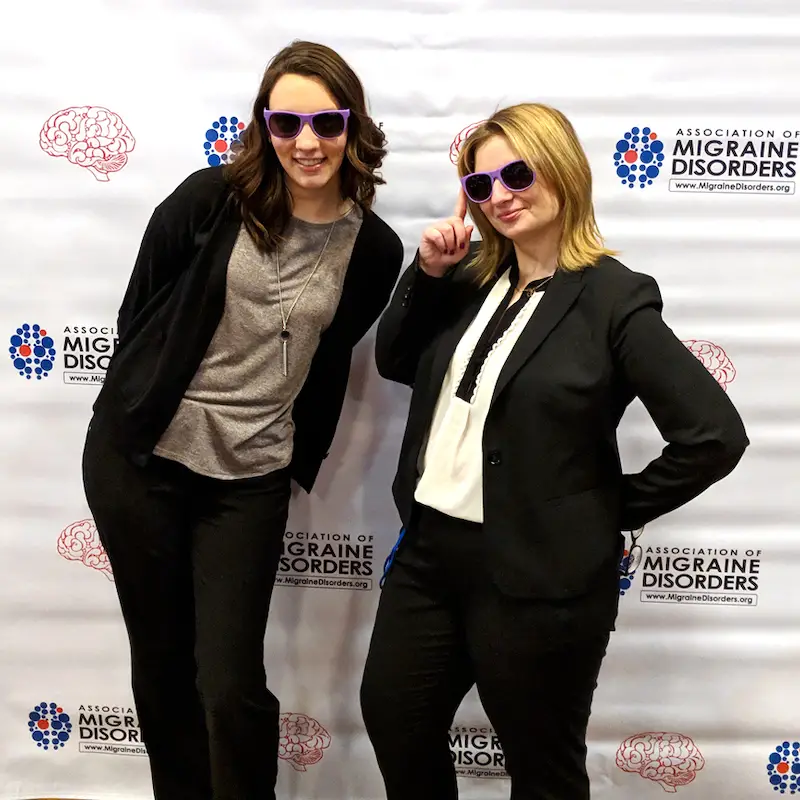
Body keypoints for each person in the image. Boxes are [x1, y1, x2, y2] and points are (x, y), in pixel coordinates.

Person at [359, 103, 749, 800]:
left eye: (516, 173)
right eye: (480, 186)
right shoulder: (475, 278)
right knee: (394, 718)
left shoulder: (613, 298)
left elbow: (714, 436)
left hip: (543, 577)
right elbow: (394, 359)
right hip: (429, 558)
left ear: (562, 168)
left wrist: (602, 512)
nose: (499, 196)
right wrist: (428, 272)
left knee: (543, 769)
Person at [81, 40, 403, 800]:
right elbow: (140, 314)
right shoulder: (208, 199)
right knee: (162, 666)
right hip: (144, 464)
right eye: (286, 122)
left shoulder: (375, 249)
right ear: (264, 126)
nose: (307, 142)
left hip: (250, 475)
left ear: (351, 127)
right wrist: (138, 415)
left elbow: (328, 358)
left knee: (229, 681)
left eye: (326, 122)